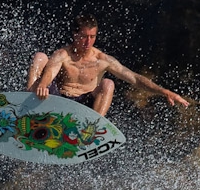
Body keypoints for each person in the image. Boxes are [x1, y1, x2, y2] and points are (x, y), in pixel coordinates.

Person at [26, 14, 190, 117]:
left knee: (108, 83)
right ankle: (27, 104)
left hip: (83, 106)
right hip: (56, 98)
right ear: (75, 34)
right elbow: (51, 70)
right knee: (40, 57)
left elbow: (135, 78)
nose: (88, 42)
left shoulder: (102, 59)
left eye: (92, 36)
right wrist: (42, 85)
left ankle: (94, 127)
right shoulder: (63, 54)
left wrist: (164, 91)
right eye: (84, 37)